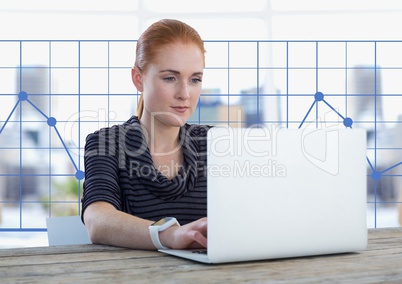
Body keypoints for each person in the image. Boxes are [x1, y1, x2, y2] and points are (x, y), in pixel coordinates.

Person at [81, 19, 210, 250]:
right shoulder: (106, 143)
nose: (184, 93)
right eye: (170, 78)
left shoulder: (216, 143)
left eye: (195, 79)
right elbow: (97, 220)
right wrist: (170, 235)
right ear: (138, 79)